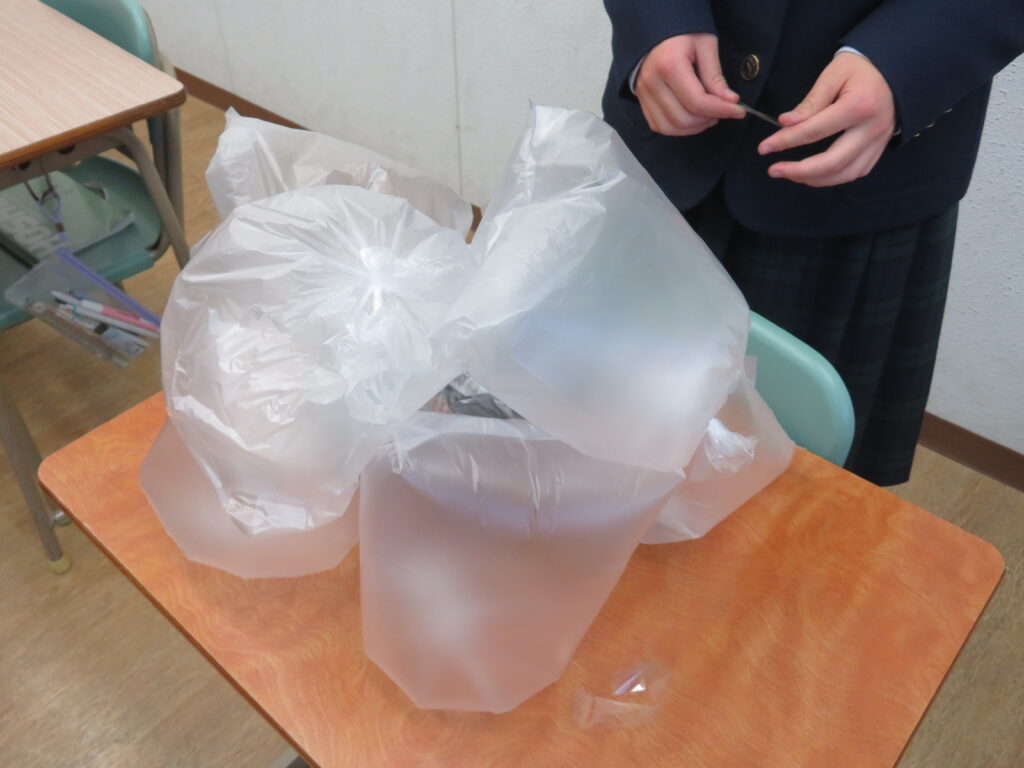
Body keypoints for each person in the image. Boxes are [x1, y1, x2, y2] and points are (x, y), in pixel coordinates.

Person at [601, 1, 1024, 485]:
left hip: (860, 188)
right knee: (595, 419)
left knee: (801, 492)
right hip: (665, 136)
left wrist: (905, 58)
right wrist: (657, 18)